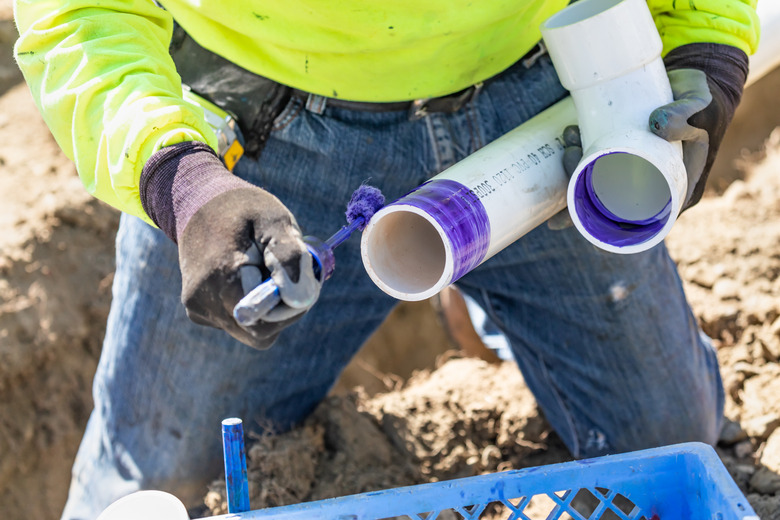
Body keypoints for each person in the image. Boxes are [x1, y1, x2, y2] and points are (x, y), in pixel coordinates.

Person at [13, 0, 759, 518]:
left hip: (545, 101)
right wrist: (183, 181)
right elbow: (78, 15)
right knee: (157, 489)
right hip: (271, 128)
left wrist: (705, 46)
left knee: (667, 440)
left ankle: (480, 266)